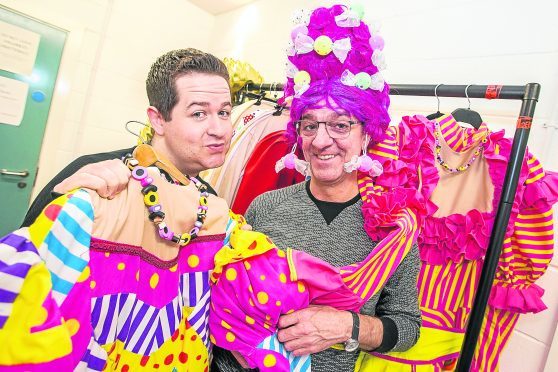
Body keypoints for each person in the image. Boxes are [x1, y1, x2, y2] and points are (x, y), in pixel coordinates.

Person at [212, 4, 421, 372]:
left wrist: (346, 325)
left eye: (340, 125)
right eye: (309, 126)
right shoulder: (264, 207)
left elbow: (407, 326)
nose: (321, 141)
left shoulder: (393, 228)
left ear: (366, 134)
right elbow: (225, 288)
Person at [21, 48, 232, 227]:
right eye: (198, 114)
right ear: (158, 120)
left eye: (224, 112)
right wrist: (60, 204)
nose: (219, 130)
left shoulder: (208, 198)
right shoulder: (97, 176)